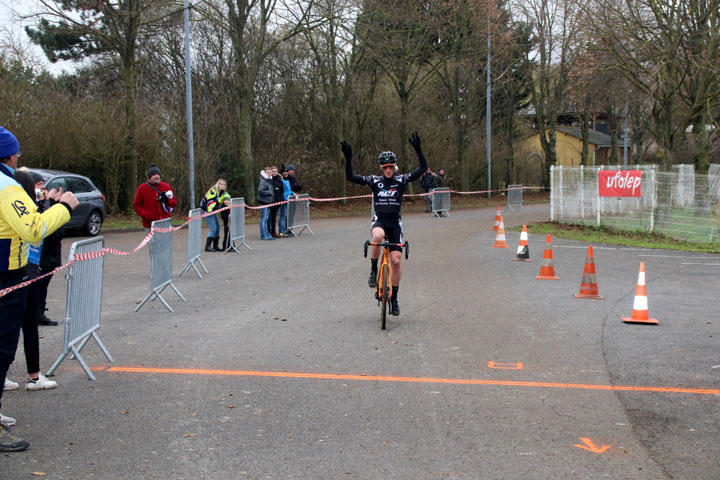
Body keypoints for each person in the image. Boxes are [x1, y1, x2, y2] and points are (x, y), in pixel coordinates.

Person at [0, 126, 78, 452]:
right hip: (7, 276)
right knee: (3, 350)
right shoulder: (7, 187)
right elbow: (32, 229)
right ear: (11, 155)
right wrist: (65, 208)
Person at [342, 132, 428, 316]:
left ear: (394, 167)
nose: (388, 170)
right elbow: (351, 177)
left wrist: (418, 150)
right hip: (380, 221)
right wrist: (348, 159)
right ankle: (374, 270)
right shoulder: (375, 181)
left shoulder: (402, 180)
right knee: (378, 236)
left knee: (396, 261)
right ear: (381, 168)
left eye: (391, 166)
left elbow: (423, 168)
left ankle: (394, 298)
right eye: (385, 167)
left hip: (395, 223)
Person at [7, 170, 58, 394]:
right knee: (27, 324)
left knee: (13, 326)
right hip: (25, 271)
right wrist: (56, 208)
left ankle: (10, 374)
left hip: (22, 270)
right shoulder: (26, 211)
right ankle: (34, 375)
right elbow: (41, 231)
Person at [30, 172, 62, 327]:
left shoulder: (46, 203)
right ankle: (36, 313)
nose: (42, 187)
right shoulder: (33, 205)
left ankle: (40, 310)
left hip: (51, 252)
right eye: (38, 184)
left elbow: (57, 228)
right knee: (38, 285)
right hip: (39, 254)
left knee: (44, 285)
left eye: (43, 183)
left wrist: (55, 204)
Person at [132, 164, 177, 249]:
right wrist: (145, 215)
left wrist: (166, 200)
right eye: (153, 174)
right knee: (153, 249)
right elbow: (136, 205)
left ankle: (164, 263)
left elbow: (174, 203)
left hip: (164, 224)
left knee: (164, 249)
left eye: (158, 174)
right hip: (150, 225)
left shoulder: (166, 186)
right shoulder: (142, 188)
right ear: (149, 176)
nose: (156, 176)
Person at [201, 179, 228, 252]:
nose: (223, 186)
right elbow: (210, 205)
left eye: (224, 184)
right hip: (207, 211)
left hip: (213, 211)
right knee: (213, 228)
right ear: (218, 184)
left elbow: (220, 202)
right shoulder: (213, 192)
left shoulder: (222, 193)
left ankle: (215, 246)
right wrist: (220, 208)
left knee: (218, 227)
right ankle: (207, 246)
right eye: (221, 184)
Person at [257, 167, 275, 240]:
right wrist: (269, 192)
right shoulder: (263, 181)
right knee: (263, 219)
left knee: (266, 219)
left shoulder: (269, 181)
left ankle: (266, 233)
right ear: (265, 172)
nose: (269, 173)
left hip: (268, 202)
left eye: (270, 172)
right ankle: (263, 234)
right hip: (263, 202)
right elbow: (260, 191)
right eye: (268, 172)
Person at [278, 166, 294, 237]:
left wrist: (293, 193)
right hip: (284, 200)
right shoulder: (281, 181)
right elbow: (283, 191)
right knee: (282, 216)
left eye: (286, 172)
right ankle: (281, 230)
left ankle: (286, 230)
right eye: (284, 172)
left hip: (288, 200)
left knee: (286, 216)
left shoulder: (287, 181)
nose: (285, 173)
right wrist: (285, 198)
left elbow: (289, 190)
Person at [268, 166, 283, 238]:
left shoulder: (279, 180)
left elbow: (281, 190)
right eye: (273, 171)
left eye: (275, 171)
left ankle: (273, 231)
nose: (274, 172)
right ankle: (269, 231)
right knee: (269, 218)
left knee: (274, 217)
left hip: (277, 201)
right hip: (270, 201)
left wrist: (280, 199)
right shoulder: (269, 180)